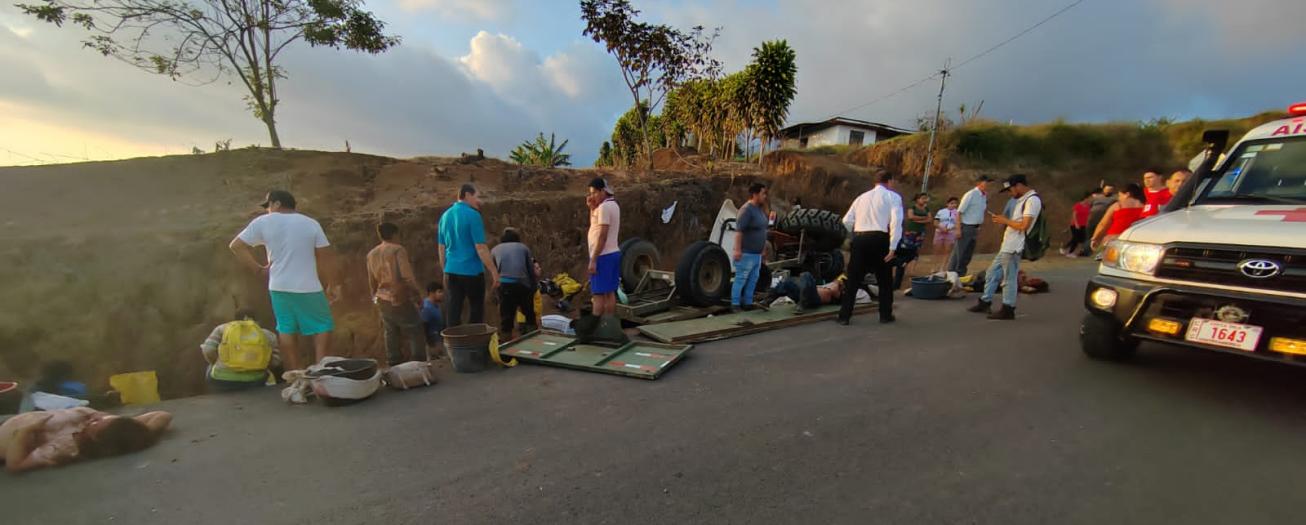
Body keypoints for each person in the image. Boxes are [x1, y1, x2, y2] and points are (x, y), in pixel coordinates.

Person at [230, 190, 339, 371]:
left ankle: (295, 373)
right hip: (308, 287)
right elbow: (324, 256)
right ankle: (322, 369)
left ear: (277, 203)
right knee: (322, 326)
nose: (267, 210)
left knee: (286, 329)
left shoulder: (262, 222)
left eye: (268, 206)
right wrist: (333, 284)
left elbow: (236, 246)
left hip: (278, 287)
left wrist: (258, 270)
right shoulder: (310, 223)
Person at [0, 407, 172, 473]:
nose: (94, 419)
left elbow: (15, 465)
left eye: (96, 423)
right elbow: (163, 415)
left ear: (95, 436)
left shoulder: (65, 446)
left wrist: (24, 432)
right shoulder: (111, 427)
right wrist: (139, 434)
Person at [967, 174, 1042, 320]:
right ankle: (985, 301)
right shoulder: (1022, 200)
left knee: (1009, 277)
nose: (1010, 193)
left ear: (1019, 186)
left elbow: (1024, 226)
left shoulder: (1032, 200)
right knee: (991, 273)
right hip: (1008, 244)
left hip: (1014, 245)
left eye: (1011, 189)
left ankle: (1008, 307)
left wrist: (1004, 220)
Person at [838, 170, 902, 325]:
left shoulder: (861, 198)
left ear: (875, 181)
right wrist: (893, 246)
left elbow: (846, 221)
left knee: (853, 278)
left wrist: (851, 239)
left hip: (861, 238)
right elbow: (896, 222)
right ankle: (885, 315)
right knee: (884, 279)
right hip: (880, 238)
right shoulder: (893, 197)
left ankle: (844, 316)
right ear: (890, 181)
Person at [437, 184, 499, 327]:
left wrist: (444, 269)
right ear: (467, 195)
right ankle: (474, 344)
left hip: (450, 271)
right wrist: (494, 271)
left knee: (453, 310)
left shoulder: (445, 216)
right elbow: (480, 247)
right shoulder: (473, 215)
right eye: (477, 197)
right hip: (471, 271)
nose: (479, 201)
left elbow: (441, 248)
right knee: (476, 310)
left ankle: (455, 345)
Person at [367, 222, 427, 366]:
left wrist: (374, 297)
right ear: (395, 234)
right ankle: (418, 363)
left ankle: (393, 363)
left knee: (390, 331)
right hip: (398, 296)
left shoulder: (371, 254)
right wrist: (418, 294)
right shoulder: (397, 250)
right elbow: (407, 276)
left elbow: (371, 280)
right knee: (415, 328)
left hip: (381, 297)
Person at [199, 309, 281, 391]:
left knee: (210, 368)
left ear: (234, 320)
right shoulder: (267, 334)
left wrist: (216, 362)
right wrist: (262, 365)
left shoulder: (222, 328)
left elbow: (208, 350)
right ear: (257, 321)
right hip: (256, 380)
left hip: (222, 380)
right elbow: (277, 359)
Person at [491, 227, 539, 338]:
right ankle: (533, 336)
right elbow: (530, 269)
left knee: (506, 314)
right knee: (529, 312)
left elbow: (494, 270)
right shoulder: (523, 248)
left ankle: (506, 339)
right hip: (522, 284)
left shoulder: (494, 249)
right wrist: (533, 286)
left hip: (504, 285)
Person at [731, 183, 770, 312]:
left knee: (753, 278)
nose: (765, 196)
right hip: (746, 252)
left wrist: (763, 249)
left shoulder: (759, 209)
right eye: (763, 193)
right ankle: (735, 304)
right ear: (755, 194)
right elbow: (739, 231)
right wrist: (737, 249)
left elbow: (763, 230)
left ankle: (748, 302)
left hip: (757, 253)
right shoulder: (746, 210)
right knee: (741, 278)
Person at [586, 178, 621, 317]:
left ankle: (597, 327)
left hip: (602, 256)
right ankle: (608, 325)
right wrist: (592, 209)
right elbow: (594, 225)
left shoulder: (604, 208)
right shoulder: (613, 205)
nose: (592, 196)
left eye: (594, 193)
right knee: (609, 292)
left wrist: (593, 259)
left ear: (602, 191)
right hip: (612, 253)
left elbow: (602, 235)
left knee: (598, 295)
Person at [947, 175, 992, 275]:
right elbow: (959, 212)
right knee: (960, 252)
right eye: (986, 182)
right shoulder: (971, 194)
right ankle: (953, 273)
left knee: (968, 253)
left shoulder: (984, 196)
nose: (988, 184)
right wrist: (958, 229)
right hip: (966, 226)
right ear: (979, 183)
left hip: (975, 228)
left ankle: (961, 273)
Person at [1091, 182, 1148, 251]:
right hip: (1135, 240)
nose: (1119, 198)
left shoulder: (1117, 205)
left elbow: (1103, 224)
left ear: (1127, 194)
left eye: (1120, 195)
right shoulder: (1146, 206)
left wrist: (1095, 238)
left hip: (1114, 239)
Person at [765, 272, 844, 314]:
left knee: (807, 275)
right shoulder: (832, 285)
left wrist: (839, 281)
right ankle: (768, 300)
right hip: (804, 294)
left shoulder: (838, 291)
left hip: (814, 298)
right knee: (787, 282)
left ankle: (802, 303)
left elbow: (838, 283)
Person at [899, 192, 931, 287]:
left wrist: (918, 219)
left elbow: (930, 219)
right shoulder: (912, 207)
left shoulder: (926, 209)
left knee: (916, 251)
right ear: (917, 199)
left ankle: (912, 271)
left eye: (926, 198)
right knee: (906, 249)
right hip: (911, 231)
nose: (925, 200)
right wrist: (923, 218)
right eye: (923, 198)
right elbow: (910, 217)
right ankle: (902, 268)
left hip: (921, 232)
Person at [1084, 184, 1116, 256]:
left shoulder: (1114, 199)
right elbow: (1089, 205)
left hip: (1102, 220)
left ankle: (1100, 252)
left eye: (1110, 190)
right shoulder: (1097, 198)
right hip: (1092, 219)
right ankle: (1086, 252)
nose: (1108, 191)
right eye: (1107, 189)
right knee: (1089, 236)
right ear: (1103, 190)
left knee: (1101, 237)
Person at [1061, 191, 1093, 257]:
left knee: (1081, 239)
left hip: (1083, 225)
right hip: (1075, 225)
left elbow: (1088, 215)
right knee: (1075, 239)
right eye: (1090, 198)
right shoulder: (1078, 205)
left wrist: (1087, 222)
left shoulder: (1088, 206)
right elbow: (1074, 215)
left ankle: (1065, 248)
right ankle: (1070, 252)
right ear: (1086, 198)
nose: (1090, 199)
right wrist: (1076, 224)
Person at [932, 197, 960, 273]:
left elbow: (958, 224)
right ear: (947, 204)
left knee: (947, 250)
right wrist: (941, 227)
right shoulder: (941, 211)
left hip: (950, 233)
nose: (953, 205)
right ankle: (934, 266)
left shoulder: (957, 213)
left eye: (955, 203)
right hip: (939, 232)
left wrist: (951, 228)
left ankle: (942, 267)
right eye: (951, 203)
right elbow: (935, 222)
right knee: (937, 250)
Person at [420, 282, 445, 351]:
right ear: (431, 293)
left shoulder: (435, 305)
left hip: (438, 339)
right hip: (434, 343)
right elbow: (424, 326)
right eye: (439, 292)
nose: (442, 294)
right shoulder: (427, 308)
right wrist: (431, 345)